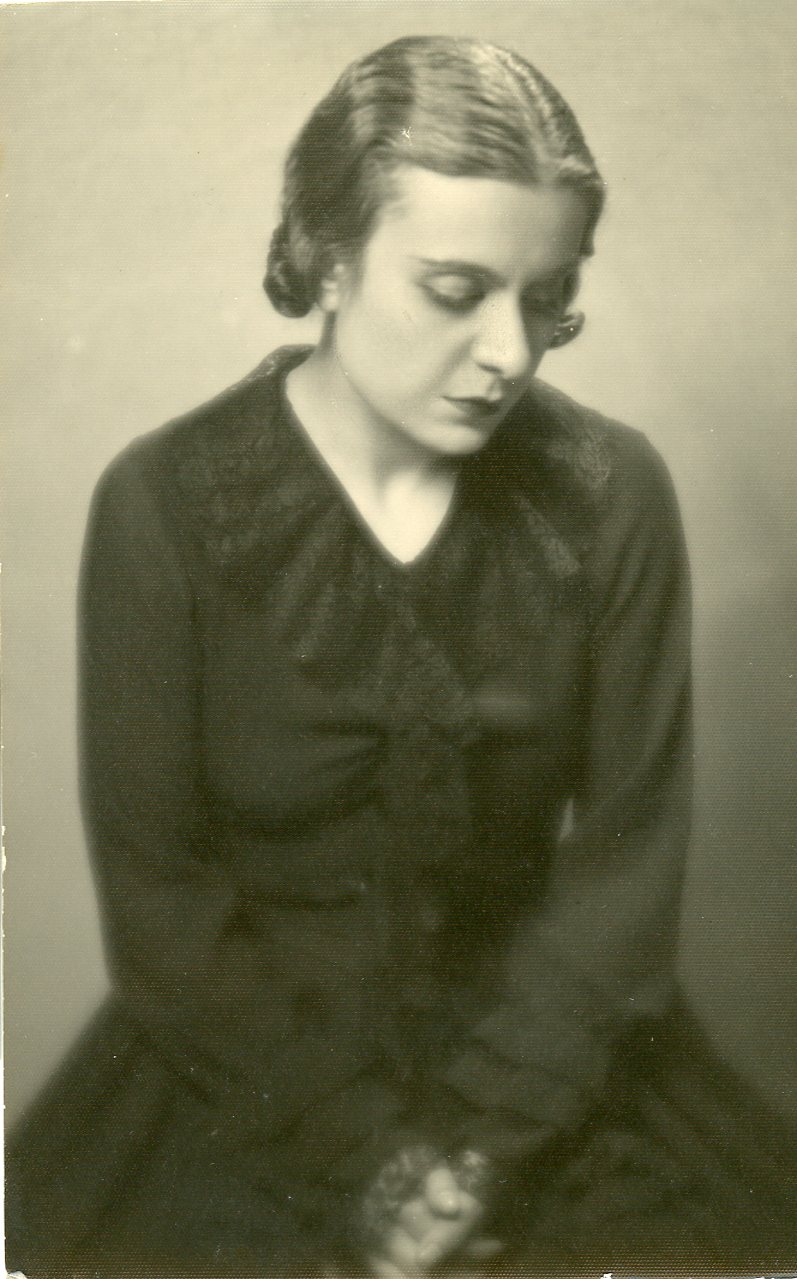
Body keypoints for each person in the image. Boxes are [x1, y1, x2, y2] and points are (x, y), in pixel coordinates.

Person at [6, 33, 796, 1279]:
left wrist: (473, 1154)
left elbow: (626, 869)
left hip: (545, 1078)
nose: (510, 352)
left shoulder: (611, 494)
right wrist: (365, 1165)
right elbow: (162, 906)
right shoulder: (161, 504)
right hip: (247, 1085)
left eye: (546, 297)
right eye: (454, 289)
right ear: (327, 257)